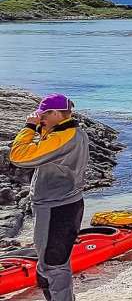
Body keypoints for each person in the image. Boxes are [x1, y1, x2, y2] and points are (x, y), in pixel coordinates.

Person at [8, 94, 90, 301]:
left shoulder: (63, 138)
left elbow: (18, 155)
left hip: (56, 208)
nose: (39, 117)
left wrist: (29, 127)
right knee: (56, 263)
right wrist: (42, 125)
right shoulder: (72, 132)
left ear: (55, 113)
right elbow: (49, 139)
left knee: (52, 267)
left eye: (44, 114)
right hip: (66, 204)